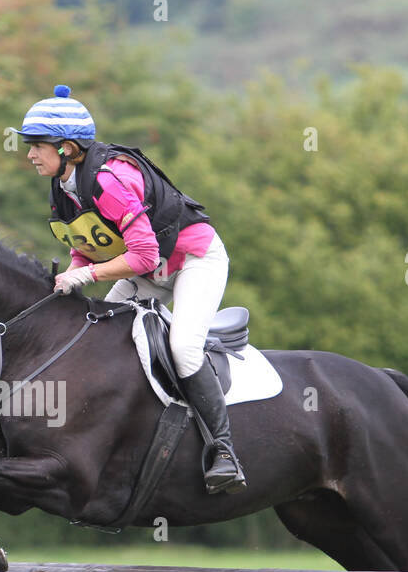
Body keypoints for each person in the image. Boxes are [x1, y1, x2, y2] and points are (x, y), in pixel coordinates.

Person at [14, 84, 246, 493]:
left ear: (66, 148)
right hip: (146, 271)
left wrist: (83, 277)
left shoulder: (109, 179)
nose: (30, 154)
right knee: (99, 337)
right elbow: (89, 246)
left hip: (193, 261)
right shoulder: (63, 186)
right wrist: (72, 272)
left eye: (37, 146)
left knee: (183, 347)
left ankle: (223, 450)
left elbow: (140, 255)